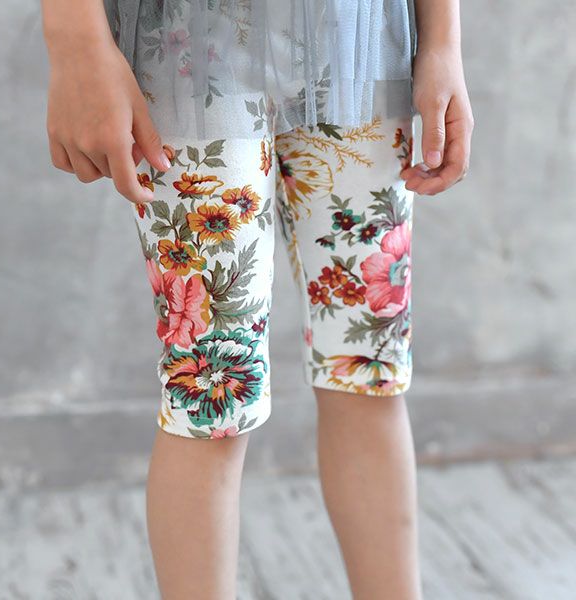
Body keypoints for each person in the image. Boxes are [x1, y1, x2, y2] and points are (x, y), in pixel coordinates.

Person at [41, 1, 473, 598]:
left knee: (368, 367)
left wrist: (443, 41)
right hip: (188, 48)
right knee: (211, 395)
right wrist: (75, 42)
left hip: (358, 40)